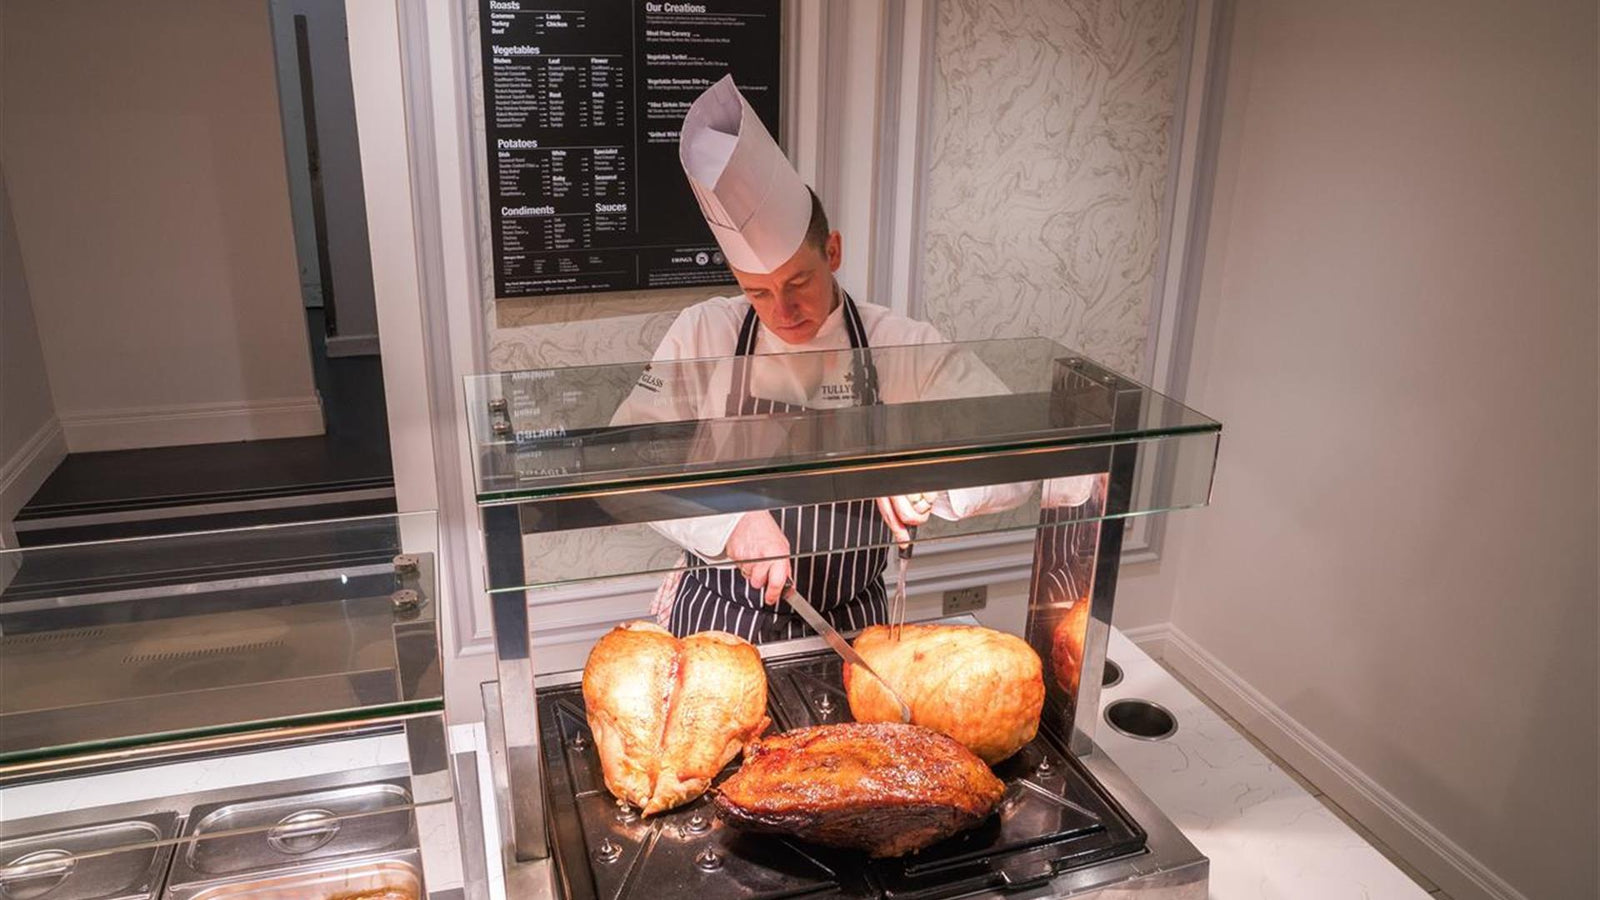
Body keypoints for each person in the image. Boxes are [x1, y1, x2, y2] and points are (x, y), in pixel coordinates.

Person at [615, 75, 1029, 642]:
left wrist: (926, 475)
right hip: (716, 624)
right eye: (757, 292)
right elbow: (626, 461)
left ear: (832, 251)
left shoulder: (900, 345)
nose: (782, 311)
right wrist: (731, 522)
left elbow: (1020, 454)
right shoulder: (704, 332)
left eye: (798, 283)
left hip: (853, 629)